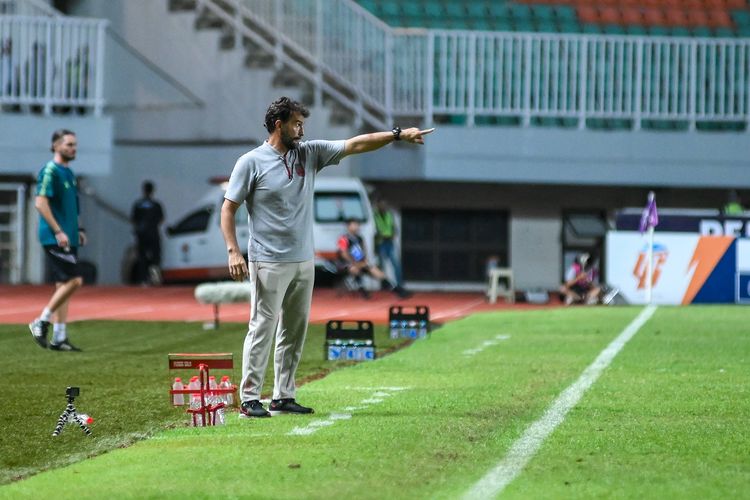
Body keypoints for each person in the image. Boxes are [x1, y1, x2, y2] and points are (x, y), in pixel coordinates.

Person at [220, 96, 433, 418]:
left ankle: (283, 395)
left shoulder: (310, 153)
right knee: (262, 326)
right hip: (267, 260)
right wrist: (234, 250)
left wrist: (397, 135)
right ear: (279, 125)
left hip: (303, 260)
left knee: (294, 330)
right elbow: (228, 208)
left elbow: (355, 145)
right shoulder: (250, 162)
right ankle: (250, 397)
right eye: (297, 123)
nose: (302, 129)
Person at [28, 129, 86, 352]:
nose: (73, 148)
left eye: (74, 145)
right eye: (69, 144)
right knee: (75, 281)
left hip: (69, 236)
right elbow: (40, 203)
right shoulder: (50, 171)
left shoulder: (69, 173)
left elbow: (72, 207)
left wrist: (77, 229)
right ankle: (41, 321)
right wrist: (58, 231)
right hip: (55, 237)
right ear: (55, 146)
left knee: (64, 286)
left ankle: (59, 337)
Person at [336, 218, 411, 299]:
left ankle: (397, 290)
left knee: (376, 271)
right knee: (354, 269)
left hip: (359, 263)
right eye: (354, 225)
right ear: (348, 226)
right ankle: (363, 291)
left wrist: (364, 261)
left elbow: (362, 252)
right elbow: (344, 254)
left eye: (357, 225)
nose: (357, 227)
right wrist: (354, 263)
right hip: (346, 264)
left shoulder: (359, 238)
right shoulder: (343, 238)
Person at [130, 180, 165, 285]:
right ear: (152, 191)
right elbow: (161, 219)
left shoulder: (138, 204)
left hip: (141, 235)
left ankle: (143, 279)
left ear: (143, 190)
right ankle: (155, 278)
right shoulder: (156, 205)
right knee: (155, 257)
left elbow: (133, 219)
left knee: (142, 257)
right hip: (153, 234)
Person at [373, 196, 407, 292]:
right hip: (380, 243)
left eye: (385, 204)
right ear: (377, 205)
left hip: (390, 242)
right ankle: (384, 286)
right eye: (381, 204)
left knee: (396, 264)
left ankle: (400, 285)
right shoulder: (374, 216)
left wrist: (392, 234)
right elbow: (374, 231)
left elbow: (394, 228)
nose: (384, 206)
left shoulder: (389, 215)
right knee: (382, 266)